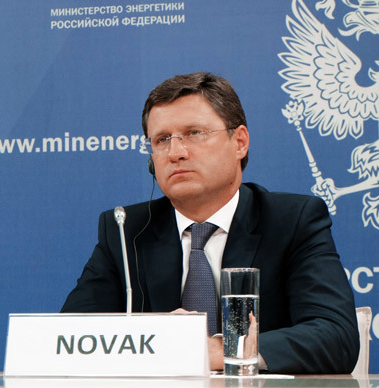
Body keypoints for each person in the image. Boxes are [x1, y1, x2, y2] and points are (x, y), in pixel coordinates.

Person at [61, 72, 359, 374]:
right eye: (162, 140)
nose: (176, 153)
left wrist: (216, 350)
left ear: (239, 142)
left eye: (194, 133)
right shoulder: (126, 231)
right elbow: (68, 341)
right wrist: (150, 342)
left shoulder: (292, 221)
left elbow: (337, 338)